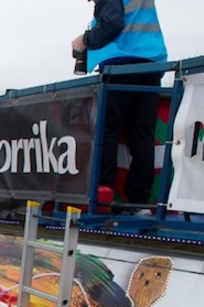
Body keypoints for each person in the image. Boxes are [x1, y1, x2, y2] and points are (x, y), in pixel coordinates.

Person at [72, 0, 167, 207]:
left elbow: (112, 24)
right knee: (142, 136)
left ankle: (103, 196)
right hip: (149, 65)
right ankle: (139, 203)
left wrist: (85, 40)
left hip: (120, 67)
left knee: (106, 131)